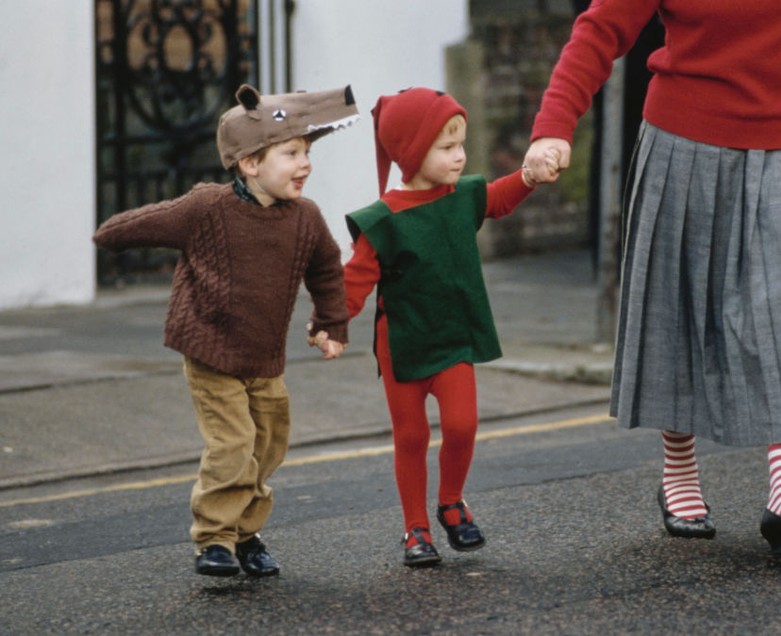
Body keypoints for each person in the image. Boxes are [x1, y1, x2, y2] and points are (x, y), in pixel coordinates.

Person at [524, 0, 781, 554]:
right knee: (681, 304)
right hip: (685, 138)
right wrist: (553, 127)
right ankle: (679, 469)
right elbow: (599, 30)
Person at [93, 84, 357, 577]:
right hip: (211, 348)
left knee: (267, 445)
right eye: (291, 153)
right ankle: (214, 540)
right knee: (233, 444)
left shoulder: (306, 218)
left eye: (306, 152)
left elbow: (326, 269)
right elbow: (147, 222)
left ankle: (245, 532)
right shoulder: (207, 208)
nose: (305, 164)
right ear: (250, 163)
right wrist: (112, 235)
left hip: (264, 356)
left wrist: (331, 322)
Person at [325, 87, 553, 566]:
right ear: (411, 151)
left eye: (461, 144)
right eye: (447, 147)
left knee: (462, 425)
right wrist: (333, 322)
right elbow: (357, 280)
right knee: (411, 439)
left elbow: (498, 199)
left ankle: (452, 502)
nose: (460, 155)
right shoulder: (382, 219)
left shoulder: (462, 197)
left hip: (453, 336)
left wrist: (529, 175)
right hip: (402, 344)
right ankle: (415, 530)